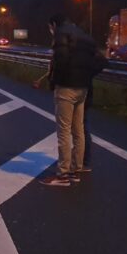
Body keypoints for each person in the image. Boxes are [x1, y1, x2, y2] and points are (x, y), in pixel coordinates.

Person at [40, 14, 96, 187]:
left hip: (67, 88)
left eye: (50, 27)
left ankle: (63, 175)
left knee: (64, 131)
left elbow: (60, 60)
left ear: (54, 24)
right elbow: (99, 61)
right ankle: (75, 170)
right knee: (78, 129)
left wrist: (54, 81)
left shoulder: (61, 34)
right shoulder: (84, 36)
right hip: (83, 88)